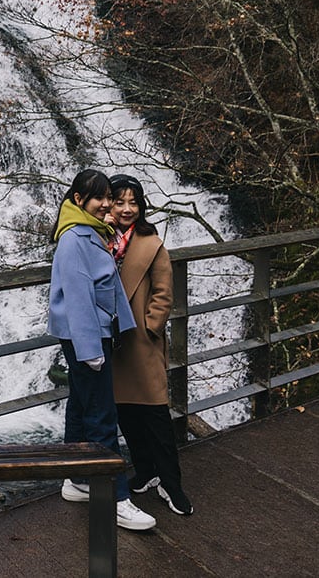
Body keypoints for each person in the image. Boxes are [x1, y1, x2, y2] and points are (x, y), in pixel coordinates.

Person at [47, 168, 155, 532]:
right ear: (79, 200)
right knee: (102, 416)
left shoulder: (89, 231)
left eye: (109, 196)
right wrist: (90, 348)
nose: (108, 203)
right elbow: (77, 296)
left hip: (92, 334)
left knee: (81, 405)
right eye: (100, 198)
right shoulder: (74, 239)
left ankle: (77, 479)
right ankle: (117, 498)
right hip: (87, 336)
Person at [108, 173, 194, 516]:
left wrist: (150, 327)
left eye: (134, 201)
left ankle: (172, 485)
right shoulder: (100, 238)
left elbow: (163, 293)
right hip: (112, 342)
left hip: (140, 341)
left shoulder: (151, 242)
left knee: (156, 414)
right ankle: (145, 472)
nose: (128, 208)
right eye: (120, 201)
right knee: (126, 414)